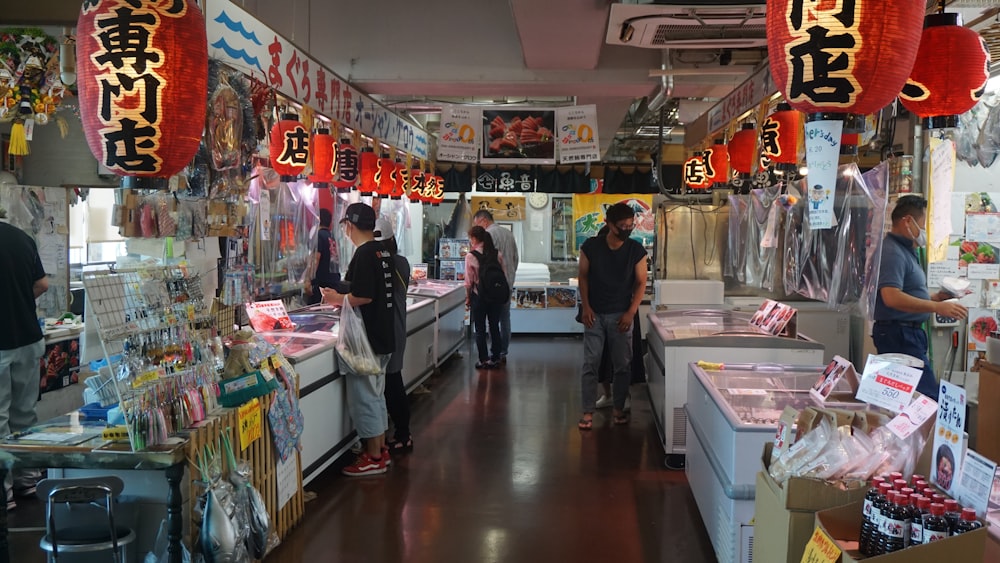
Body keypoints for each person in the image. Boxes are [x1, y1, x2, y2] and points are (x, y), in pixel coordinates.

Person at [321, 203, 395, 477]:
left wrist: (335, 299)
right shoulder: (382, 250)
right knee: (376, 396)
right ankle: (380, 450)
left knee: (365, 399)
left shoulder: (364, 254)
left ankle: (373, 456)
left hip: (366, 341)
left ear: (349, 226)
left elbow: (364, 296)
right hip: (382, 335)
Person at [873, 196, 967, 401]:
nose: (924, 232)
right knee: (927, 399)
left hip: (907, 333)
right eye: (923, 225)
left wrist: (938, 298)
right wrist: (935, 307)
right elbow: (891, 297)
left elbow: (907, 292)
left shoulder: (907, 250)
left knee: (902, 400)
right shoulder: (892, 252)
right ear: (907, 221)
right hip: (899, 335)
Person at [578, 203, 647, 429]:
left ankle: (618, 408)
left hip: (621, 315)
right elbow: (583, 277)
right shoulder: (591, 246)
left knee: (622, 365)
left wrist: (630, 312)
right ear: (608, 224)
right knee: (591, 363)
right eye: (622, 226)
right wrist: (586, 307)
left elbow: (641, 283)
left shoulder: (636, 251)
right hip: (594, 315)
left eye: (630, 226)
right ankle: (587, 411)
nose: (627, 230)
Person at [0, 216, 48, 508]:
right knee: (24, 414)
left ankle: (3, 491)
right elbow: (42, 284)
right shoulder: (21, 238)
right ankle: (27, 480)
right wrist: (18, 300)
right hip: (29, 339)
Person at [375, 217, 413, 453]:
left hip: (392, 330)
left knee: (393, 383)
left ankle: (403, 434)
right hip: (396, 328)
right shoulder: (401, 262)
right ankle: (398, 432)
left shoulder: (393, 263)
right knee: (391, 382)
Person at [473, 210, 518, 364]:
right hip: (506, 283)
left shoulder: (488, 236)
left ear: (483, 220)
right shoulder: (508, 234)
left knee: (491, 321)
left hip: (490, 286)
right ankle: (503, 352)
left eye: (476, 224)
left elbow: (485, 261)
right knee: (505, 318)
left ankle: (493, 353)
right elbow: (516, 258)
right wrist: (509, 276)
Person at [465, 226, 505, 369]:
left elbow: (469, 282)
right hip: (496, 296)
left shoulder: (471, 256)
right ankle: (496, 357)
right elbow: (503, 276)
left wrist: (468, 298)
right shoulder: (497, 254)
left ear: (475, 238)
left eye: (471, 238)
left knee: (480, 328)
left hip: (479, 296)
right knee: (494, 326)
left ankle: (483, 359)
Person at [304, 208, 340, 305]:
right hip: (334, 283)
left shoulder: (319, 236)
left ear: (318, 219)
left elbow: (316, 259)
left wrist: (308, 280)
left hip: (321, 285)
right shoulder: (331, 237)